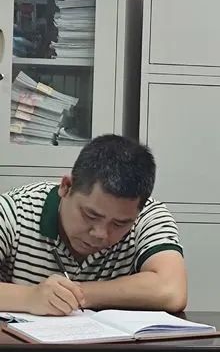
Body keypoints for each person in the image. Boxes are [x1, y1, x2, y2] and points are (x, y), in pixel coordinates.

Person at [0, 134, 187, 315]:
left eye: (119, 223)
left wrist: (76, 294)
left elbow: (171, 290)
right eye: (90, 215)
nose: (100, 234)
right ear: (66, 186)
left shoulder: (148, 216)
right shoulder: (15, 210)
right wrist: (30, 297)